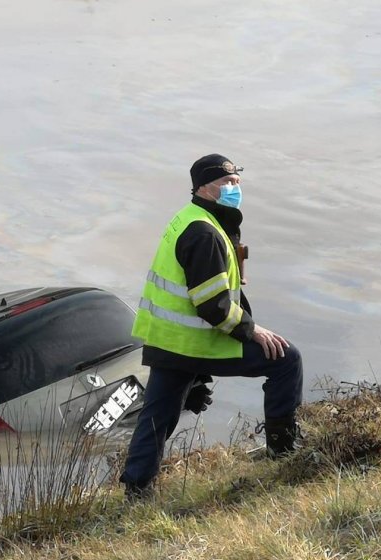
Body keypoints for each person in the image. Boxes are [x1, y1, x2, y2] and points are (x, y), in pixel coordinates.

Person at [120, 153, 303, 500]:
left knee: (158, 415)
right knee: (286, 360)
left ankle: (136, 487)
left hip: (168, 341)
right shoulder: (204, 233)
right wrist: (253, 331)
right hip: (195, 341)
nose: (235, 188)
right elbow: (213, 306)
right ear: (204, 187)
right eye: (226, 182)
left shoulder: (188, 217)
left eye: (237, 182)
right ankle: (284, 452)